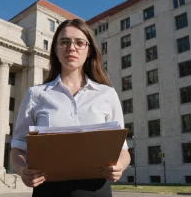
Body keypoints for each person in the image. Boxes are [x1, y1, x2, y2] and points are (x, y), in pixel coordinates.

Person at [10, 18, 131, 197]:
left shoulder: (107, 94)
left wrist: (119, 166)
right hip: (48, 191)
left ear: (89, 50)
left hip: (96, 190)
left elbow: (123, 149)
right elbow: (18, 147)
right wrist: (22, 170)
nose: (71, 47)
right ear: (56, 50)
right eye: (64, 42)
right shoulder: (36, 94)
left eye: (80, 42)